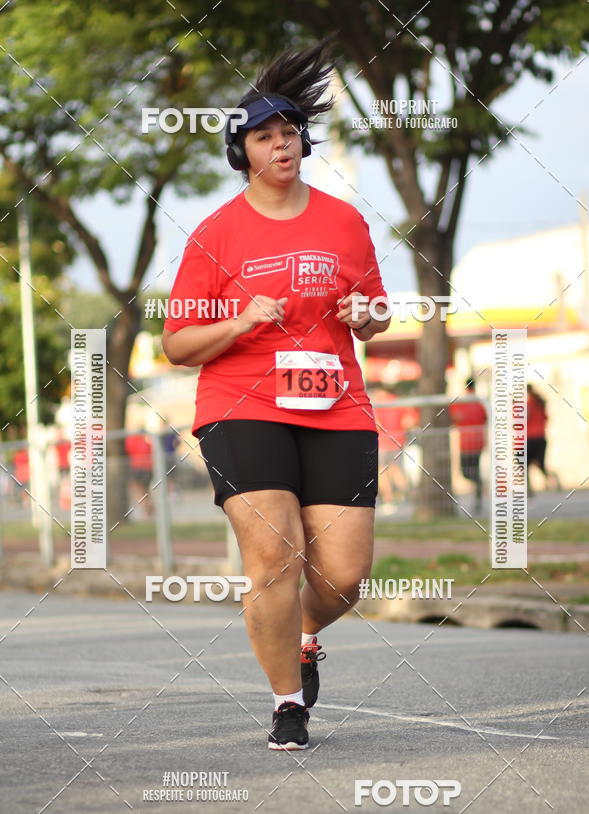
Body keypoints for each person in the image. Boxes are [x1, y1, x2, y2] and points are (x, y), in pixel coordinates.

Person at [162, 38, 390, 750]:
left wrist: (366, 315)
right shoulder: (215, 235)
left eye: (289, 131)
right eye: (264, 136)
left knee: (345, 576)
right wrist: (239, 321)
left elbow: (377, 312)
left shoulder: (345, 221)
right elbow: (177, 345)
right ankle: (287, 703)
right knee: (275, 558)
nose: (281, 143)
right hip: (242, 406)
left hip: (335, 405)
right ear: (242, 153)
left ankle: (304, 633)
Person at [449, 378, 487, 513]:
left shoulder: (462, 402)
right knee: (472, 470)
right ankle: (479, 487)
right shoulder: (480, 402)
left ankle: (479, 488)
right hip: (478, 442)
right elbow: (485, 418)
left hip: (466, 443)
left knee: (467, 471)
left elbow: (454, 418)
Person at [526, 383, 560, 493]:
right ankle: (553, 479)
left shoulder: (527, 405)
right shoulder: (540, 403)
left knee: (525, 465)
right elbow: (546, 418)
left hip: (530, 437)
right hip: (541, 437)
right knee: (540, 465)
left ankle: (528, 489)